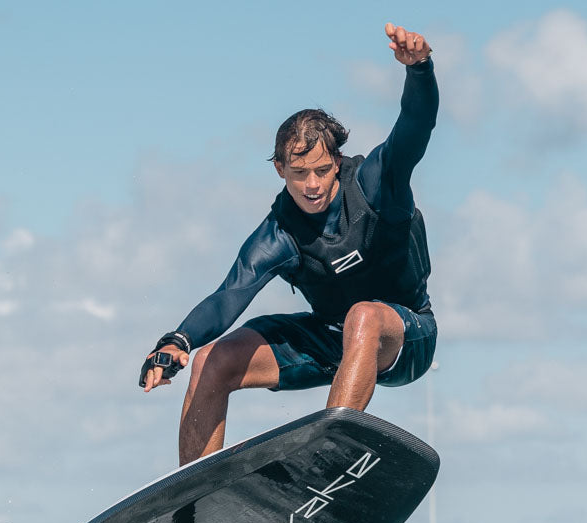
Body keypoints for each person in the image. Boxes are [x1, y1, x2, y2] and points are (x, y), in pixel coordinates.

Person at [139, 23, 438, 466]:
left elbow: (415, 124)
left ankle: (326, 456)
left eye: (321, 170)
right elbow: (229, 295)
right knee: (211, 360)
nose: (312, 185)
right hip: (333, 340)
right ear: (280, 169)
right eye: (300, 174)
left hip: (406, 336)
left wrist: (420, 70)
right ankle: (192, 503)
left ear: (336, 161)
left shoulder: (377, 185)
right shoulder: (279, 232)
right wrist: (177, 340)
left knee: (363, 316)